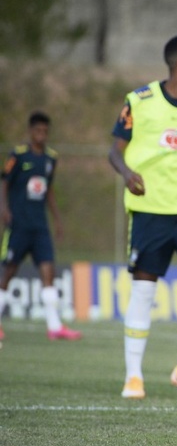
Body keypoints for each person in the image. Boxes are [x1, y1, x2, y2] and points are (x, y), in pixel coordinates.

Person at [108, 34, 177, 399]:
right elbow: (114, 151)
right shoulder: (139, 101)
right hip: (149, 211)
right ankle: (133, 376)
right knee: (144, 290)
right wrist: (127, 175)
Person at [0, 111, 82, 341]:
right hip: (18, 225)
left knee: (48, 272)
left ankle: (54, 327)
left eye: (45, 131)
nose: (41, 135)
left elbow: (49, 190)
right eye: (38, 130)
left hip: (40, 227)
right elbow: (4, 183)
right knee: (9, 272)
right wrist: (4, 209)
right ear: (30, 131)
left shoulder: (50, 158)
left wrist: (56, 219)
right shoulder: (18, 155)